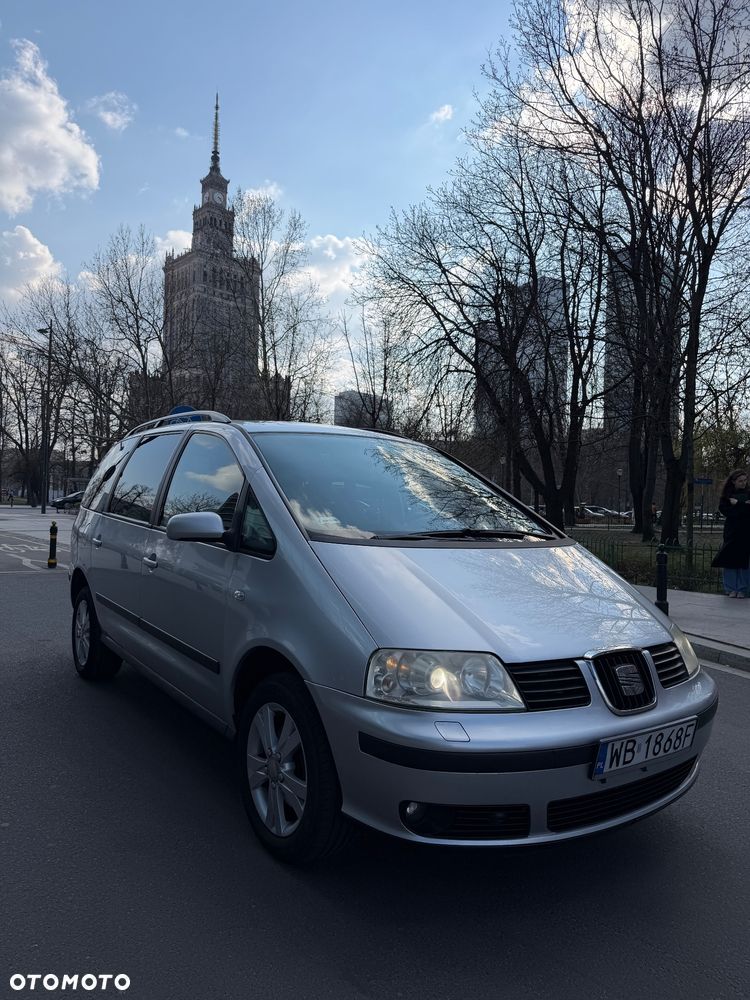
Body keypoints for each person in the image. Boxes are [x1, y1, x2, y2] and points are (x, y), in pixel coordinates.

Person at [711, 469, 750, 597]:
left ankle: (742, 589)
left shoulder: (748, 493)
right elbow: (726, 511)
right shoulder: (727, 496)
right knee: (729, 560)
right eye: (740, 481)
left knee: (744, 561)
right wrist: (744, 507)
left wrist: (738, 504)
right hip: (732, 531)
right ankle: (730, 588)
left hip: (746, 531)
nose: (743, 483)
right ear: (733, 482)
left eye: (745, 480)